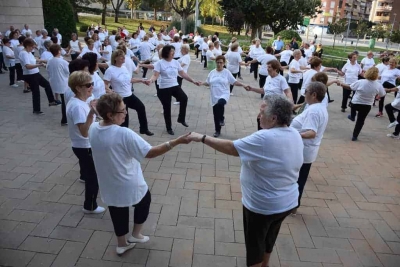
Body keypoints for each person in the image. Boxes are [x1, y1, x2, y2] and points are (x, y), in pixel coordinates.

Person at [187, 95, 303, 267]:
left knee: (255, 247)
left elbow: (231, 147)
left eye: (262, 113)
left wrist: (202, 138)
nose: (258, 116)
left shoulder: (265, 138)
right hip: (286, 203)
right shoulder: (294, 133)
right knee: (269, 238)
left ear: (273, 118)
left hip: (263, 206)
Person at [89, 93, 190, 255]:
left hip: (108, 183)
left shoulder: (94, 128)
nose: (126, 113)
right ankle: (135, 234)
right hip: (128, 182)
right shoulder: (123, 133)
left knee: (117, 210)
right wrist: (176, 142)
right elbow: (149, 153)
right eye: (122, 111)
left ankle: (121, 244)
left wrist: (93, 112)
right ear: (110, 115)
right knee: (144, 200)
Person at [66, 71, 105, 215]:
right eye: (88, 85)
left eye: (92, 84)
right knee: (93, 177)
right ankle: (90, 206)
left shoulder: (83, 101)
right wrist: (91, 113)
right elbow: (83, 132)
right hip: (84, 146)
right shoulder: (77, 106)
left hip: (85, 146)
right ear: (78, 88)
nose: (92, 87)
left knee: (90, 174)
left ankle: (90, 203)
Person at [290, 82, 328, 215]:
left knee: (296, 180)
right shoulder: (317, 107)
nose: (304, 94)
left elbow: (311, 132)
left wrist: (293, 134)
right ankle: (293, 206)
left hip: (302, 151)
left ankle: (292, 206)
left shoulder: (314, 111)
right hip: (306, 151)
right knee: (299, 179)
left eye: (306, 91)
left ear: (314, 95)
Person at [146, 45, 198, 135]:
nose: (174, 53)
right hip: (164, 88)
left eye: (174, 51)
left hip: (174, 85)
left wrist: (193, 81)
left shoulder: (176, 62)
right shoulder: (160, 63)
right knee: (167, 108)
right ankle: (169, 128)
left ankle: (181, 119)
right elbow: (155, 75)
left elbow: (182, 73)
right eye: (171, 51)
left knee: (184, 98)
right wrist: (151, 80)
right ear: (167, 53)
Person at [104, 50, 153, 136]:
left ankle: (144, 129)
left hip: (129, 95)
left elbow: (130, 80)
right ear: (115, 58)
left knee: (141, 107)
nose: (124, 58)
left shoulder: (123, 67)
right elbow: (104, 85)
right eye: (121, 56)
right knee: (124, 119)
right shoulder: (110, 70)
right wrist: (110, 92)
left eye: (124, 56)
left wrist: (142, 80)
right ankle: (123, 136)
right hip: (120, 98)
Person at [198, 55, 247, 137]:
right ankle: (217, 130)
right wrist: (201, 83)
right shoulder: (212, 72)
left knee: (221, 103)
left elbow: (234, 82)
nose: (219, 64)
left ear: (224, 63)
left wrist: (243, 85)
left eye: (221, 62)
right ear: (215, 63)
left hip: (224, 93)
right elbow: (208, 82)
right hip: (214, 95)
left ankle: (222, 118)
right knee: (215, 114)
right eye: (217, 62)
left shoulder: (227, 72)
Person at [340, 67, 386, 141]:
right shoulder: (378, 85)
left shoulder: (361, 81)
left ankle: (352, 116)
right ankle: (355, 136)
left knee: (352, 105)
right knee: (360, 121)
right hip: (367, 105)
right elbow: (383, 94)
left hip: (356, 103)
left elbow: (351, 87)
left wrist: (342, 84)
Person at [20, 38, 57, 114]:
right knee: (36, 91)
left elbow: (35, 59)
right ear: (27, 46)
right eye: (32, 47)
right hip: (30, 75)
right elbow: (28, 66)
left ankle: (51, 101)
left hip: (35, 73)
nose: (33, 48)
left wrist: (42, 62)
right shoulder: (24, 53)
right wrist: (39, 65)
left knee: (47, 85)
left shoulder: (28, 52)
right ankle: (36, 109)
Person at [47, 44, 70, 125]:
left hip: (54, 82)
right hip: (63, 83)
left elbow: (48, 70)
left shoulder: (50, 60)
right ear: (59, 51)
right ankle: (64, 119)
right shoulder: (63, 62)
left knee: (63, 100)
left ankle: (65, 118)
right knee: (65, 101)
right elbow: (68, 72)